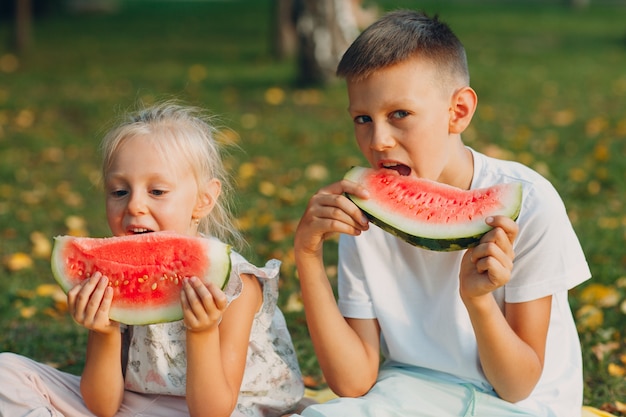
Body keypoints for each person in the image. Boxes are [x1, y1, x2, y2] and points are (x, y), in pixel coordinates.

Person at [293, 9, 590, 417]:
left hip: (519, 406)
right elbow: (353, 383)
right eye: (363, 119)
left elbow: (517, 385)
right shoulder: (365, 210)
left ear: (459, 111)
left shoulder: (530, 204)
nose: (378, 141)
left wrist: (479, 301)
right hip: (409, 392)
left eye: (399, 114)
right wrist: (307, 257)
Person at [0, 102, 304, 417]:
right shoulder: (110, 278)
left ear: (204, 200)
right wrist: (104, 332)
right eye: (119, 192)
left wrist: (202, 332)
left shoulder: (238, 286)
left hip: (226, 409)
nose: (135, 206)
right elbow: (102, 406)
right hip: (136, 405)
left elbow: (213, 411)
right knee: (5, 373)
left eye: (157, 191)